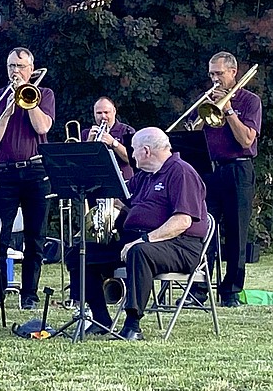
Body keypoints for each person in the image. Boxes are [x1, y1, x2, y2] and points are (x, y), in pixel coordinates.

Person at [68, 128, 208, 340]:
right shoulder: (144, 177)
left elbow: (182, 221)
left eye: (133, 150)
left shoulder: (181, 172)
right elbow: (118, 194)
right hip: (137, 241)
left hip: (180, 245)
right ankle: (101, 319)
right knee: (78, 253)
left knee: (140, 252)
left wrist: (144, 239)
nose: (131, 155)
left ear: (145, 150)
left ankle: (133, 325)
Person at [0, 47, 54, 309]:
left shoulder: (43, 94)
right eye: (12, 66)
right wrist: (7, 112)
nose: (16, 71)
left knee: (36, 237)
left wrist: (27, 99)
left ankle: (29, 296)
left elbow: (42, 127)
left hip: (36, 170)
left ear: (31, 70)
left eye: (21, 67)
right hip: (5, 173)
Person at [191, 52, 261, 308]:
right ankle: (199, 288)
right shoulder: (206, 100)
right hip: (210, 170)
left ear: (233, 72)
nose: (215, 79)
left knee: (236, 231)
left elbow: (246, 140)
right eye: (211, 74)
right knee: (204, 229)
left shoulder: (250, 101)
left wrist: (228, 109)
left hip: (238, 169)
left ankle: (230, 291)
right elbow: (192, 133)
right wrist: (202, 112)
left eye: (219, 73)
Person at [81, 97, 136, 180]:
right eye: (99, 113)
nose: (103, 116)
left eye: (106, 112)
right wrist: (89, 143)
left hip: (123, 180)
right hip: (96, 181)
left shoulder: (127, 130)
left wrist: (113, 143)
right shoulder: (86, 133)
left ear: (114, 111)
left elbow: (131, 159)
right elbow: (81, 162)